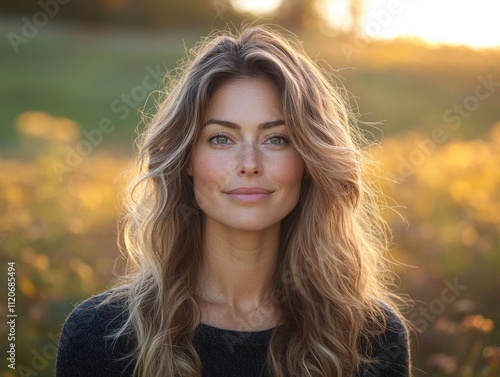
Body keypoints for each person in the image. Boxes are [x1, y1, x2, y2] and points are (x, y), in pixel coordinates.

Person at [56, 25, 411, 377]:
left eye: (277, 139)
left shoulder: (371, 338)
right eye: (222, 138)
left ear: (308, 161)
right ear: (187, 160)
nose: (249, 165)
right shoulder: (99, 336)